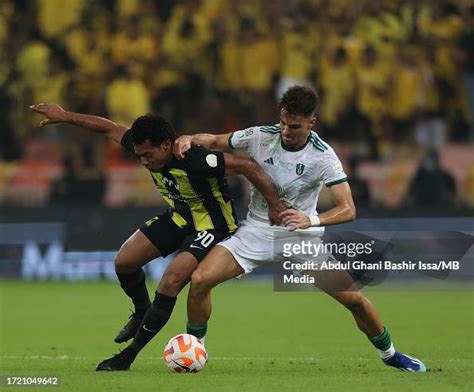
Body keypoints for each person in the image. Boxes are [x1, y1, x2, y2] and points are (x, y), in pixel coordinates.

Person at [173, 85, 426, 372]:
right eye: (282, 122)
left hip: (300, 238)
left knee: (354, 300)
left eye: (294, 126)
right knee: (200, 280)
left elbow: (348, 209)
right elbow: (214, 140)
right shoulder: (260, 136)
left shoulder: (323, 157)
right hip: (255, 231)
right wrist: (188, 138)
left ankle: (390, 354)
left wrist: (312, 220)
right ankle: (194, 350)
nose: (285, 131)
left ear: (311, 123)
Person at [29, 103, 286, 371]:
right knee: (124, 261)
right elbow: (109, 127)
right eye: (139, 155)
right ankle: (142, 310)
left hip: (212, 227)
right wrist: (65, 116)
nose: (144, 162)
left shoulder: (195, 158)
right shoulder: (146, 146)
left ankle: (128, 356)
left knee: (171, 280)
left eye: (148, 155)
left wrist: (274, 204)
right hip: (179, 217)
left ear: (166, 145)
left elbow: (246, 165)